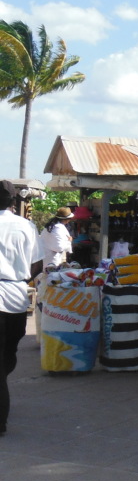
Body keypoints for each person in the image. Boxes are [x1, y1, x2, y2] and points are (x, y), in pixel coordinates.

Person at [0, 180, 43, 437]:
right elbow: (36, 265)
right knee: (6, 359)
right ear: (14, 202)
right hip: (15, 298)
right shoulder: (26, 225)